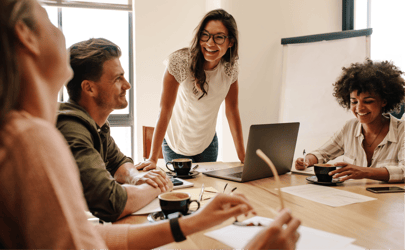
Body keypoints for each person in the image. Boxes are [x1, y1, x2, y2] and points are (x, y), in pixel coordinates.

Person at [0, 0, 301, 248]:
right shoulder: (33, 138)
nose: (128, 85)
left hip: (204, 144)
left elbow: (86, 235)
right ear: (26, 34)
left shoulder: (76, 127)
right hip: (176, 145)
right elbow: (110, 205)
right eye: (49, 19)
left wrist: (192, 222)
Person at [56, 38, 172, 222]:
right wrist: (158, 187)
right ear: (89, 88)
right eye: (118, 78)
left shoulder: (96, 124)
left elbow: (117, 162)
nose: (127, 85)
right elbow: (110, 203)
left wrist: (137, 178)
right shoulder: (72, 129)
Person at [137, 9, 245, 171]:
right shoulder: (180, 62)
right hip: (176, 145)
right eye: (205, 35)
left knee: (207, 191)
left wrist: (243, 155)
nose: (210, 43)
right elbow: (165, 110)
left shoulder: (230, 68)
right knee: (181, 191)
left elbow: (232, 110)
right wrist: (153, 158)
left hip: (208, 144)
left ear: (231, 42)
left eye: (219, 37)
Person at [295, 59, 405, 182]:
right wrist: (306, 161)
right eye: (354, 102)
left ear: (384, 101)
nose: (359, 108)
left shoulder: (402, 130)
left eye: (368, 101)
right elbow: (322, 154)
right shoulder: (350, 127)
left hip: (390, 201)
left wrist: (364, 172)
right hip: (355, 197)